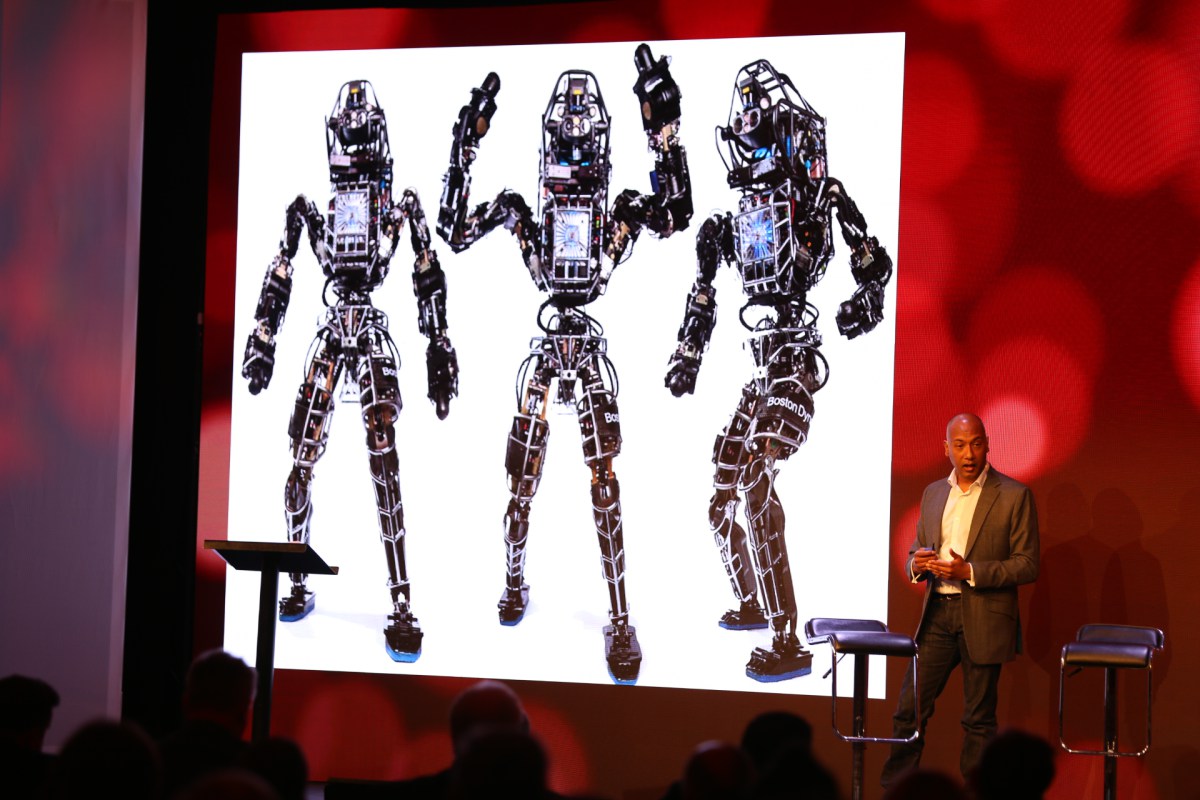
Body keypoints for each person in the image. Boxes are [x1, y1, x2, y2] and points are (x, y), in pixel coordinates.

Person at [880, 413, 1039, 787]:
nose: (969, 454)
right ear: (946, 449)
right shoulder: (934, 493)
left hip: (984, 615)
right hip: (937, 613)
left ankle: (976, 793)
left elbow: (1027, 564)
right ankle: (896, 791)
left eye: (976, 444)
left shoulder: (1014, 495)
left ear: (988, 444)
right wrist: (916, 563)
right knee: (909, 712)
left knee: (978, 720)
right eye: (960, 445)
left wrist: (969, 571)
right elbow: (917, 550)